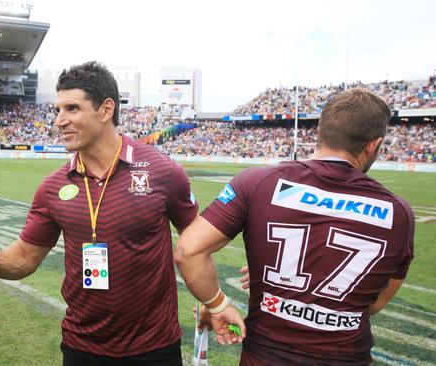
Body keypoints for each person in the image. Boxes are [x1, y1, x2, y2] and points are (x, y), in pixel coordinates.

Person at [174, 88, 415, 365]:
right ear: (373, 144)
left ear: (318, 132)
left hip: (265, 357)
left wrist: (219, 304)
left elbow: (187, 251)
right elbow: (372, 304)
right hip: (345, 357)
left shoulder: (258, 182)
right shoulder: (399, 213)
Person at [0, 61, 198, 366]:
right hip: (82, 347)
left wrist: (211, 301)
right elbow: (25, 258)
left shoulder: (163, 172)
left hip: (155, 348)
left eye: (72, 108)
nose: (59, 120)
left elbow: (197, 239)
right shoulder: (52, 187)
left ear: (106, 109)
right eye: (58, 110)